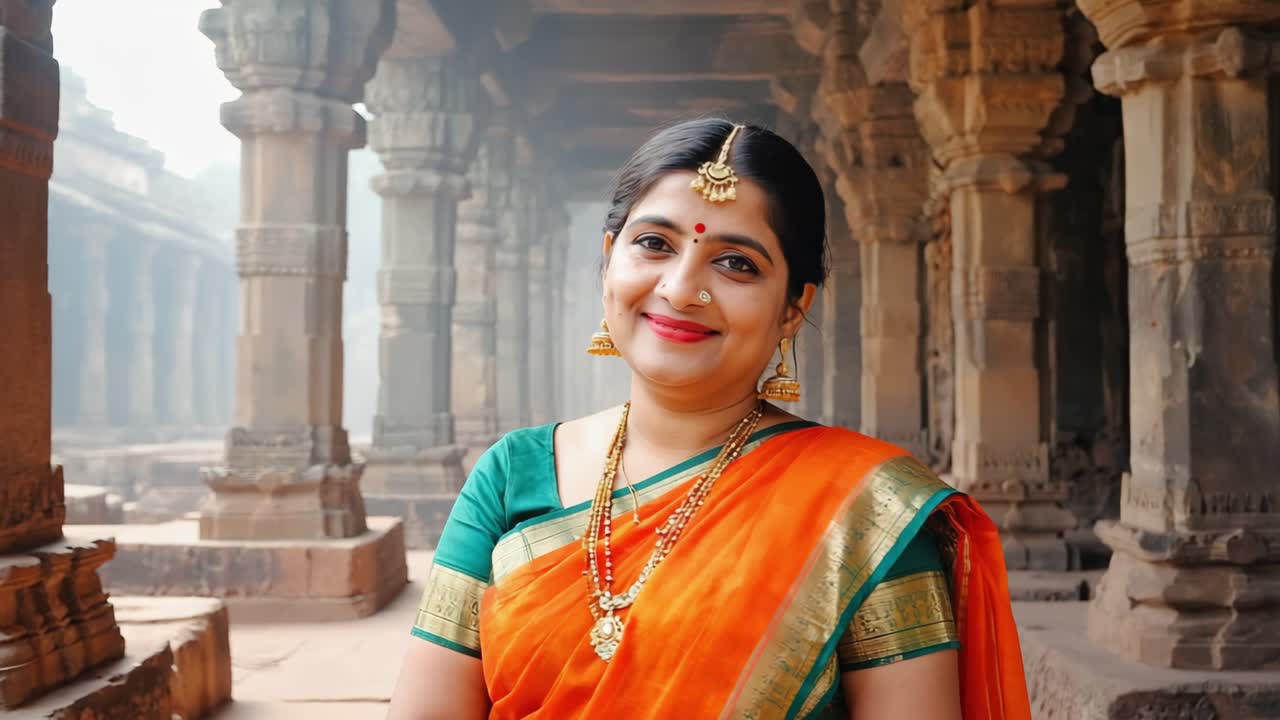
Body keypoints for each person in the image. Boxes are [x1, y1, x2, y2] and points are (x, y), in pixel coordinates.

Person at [387, 118, 1031, 719]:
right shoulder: (510, 474)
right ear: (610, 257)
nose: (680, 287)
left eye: (736, 263)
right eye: (653, 245)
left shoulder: (863, 512)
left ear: (791, 307)